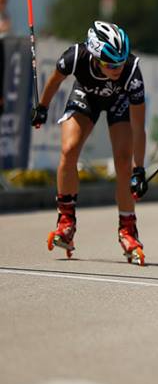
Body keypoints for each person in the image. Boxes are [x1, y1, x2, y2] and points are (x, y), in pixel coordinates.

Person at [30, 21, 148, 265]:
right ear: (95, 56)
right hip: (86, 96)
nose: (118, 68)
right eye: (111, 63)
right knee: (69, 149)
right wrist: (42, 107)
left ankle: (127, 230)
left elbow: (138, 127)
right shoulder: (75, 56)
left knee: (124, 161)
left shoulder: (131, 71)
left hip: (119, 102)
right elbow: (54, 81)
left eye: (121, 62)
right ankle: (66, 221)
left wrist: (140, 169)